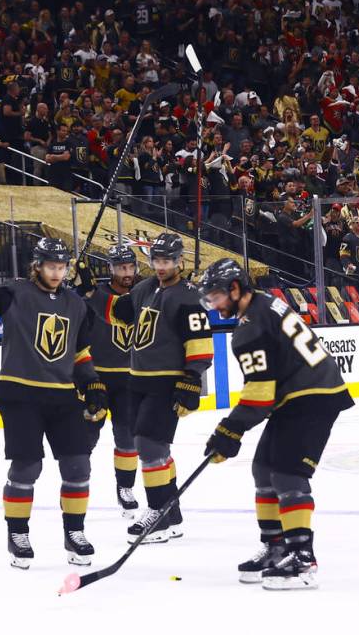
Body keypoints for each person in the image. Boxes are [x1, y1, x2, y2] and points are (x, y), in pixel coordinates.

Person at [198, 259, 354, 590]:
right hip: (303, 392)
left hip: (312, 395)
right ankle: (276, 546)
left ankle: (301, 556)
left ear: (236, 288)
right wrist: (231, 431)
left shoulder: (248, 328)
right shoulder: (265, 304)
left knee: (287, 472)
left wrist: (228, 431)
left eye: (216, 296)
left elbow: (259, 395)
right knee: (263, 467)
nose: (213, 305)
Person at [0, 236, 109, 568]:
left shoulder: (76, 304)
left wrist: (93, 383)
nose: (56, 273)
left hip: (62, 394)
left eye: (61, 267)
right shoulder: (15, 293)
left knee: (78, 465)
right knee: (28, 466)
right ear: (37, 266)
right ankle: (18, 534)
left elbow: (80, 354)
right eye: (50, 266)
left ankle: (75, 533)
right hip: (20, 394)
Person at [82, 233, 213, 544]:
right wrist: (89, 290)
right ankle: (172, 514)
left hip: (166, 381)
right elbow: (118, 313)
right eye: (157, 261)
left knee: (150, 447)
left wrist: (191, 378)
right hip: (137, 379)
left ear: (180, 261)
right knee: (155, 447)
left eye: (167, 261)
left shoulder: (187, 296)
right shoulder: (145, 288)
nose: (161, 266)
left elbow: (200, 344)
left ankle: (156, 512)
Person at [84, 245, 140, 518]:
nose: (126, 273)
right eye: (121, 268)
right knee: (85, 437)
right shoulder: (96, 295)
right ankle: (77, 483)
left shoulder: (144, 294)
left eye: (130, 267)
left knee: (127, 437)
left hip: (131, 378)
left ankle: (125, 487)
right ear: (111, 269)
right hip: (97, 378)